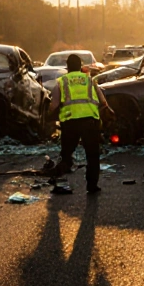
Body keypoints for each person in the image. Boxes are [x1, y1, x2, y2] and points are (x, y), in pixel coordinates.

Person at [49, 54, 115, 194]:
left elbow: (53, 104)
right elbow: (103, 102)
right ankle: (92, 186)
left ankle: (58, 180)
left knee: (66, 154)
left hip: (69, 123)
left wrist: (49, 118)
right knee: (92, 155)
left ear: (67, 67)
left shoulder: (62, 82)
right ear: (80, 66)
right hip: (90, 122)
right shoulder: (89, 80)